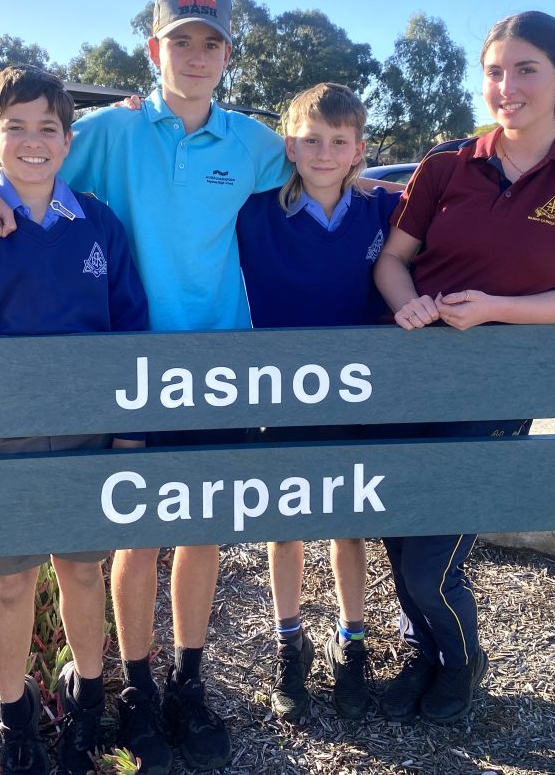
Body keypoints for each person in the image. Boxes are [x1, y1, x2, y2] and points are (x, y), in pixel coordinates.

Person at [0, 0, 293, 773]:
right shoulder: (109, 131)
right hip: (129, 369)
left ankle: (188, 681)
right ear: (155, 49)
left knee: (202, 532)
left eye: (211, 42)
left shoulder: (252, 142)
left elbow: (326, 169)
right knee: (135, 539)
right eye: (181, 40)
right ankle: (136, 687)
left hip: (220, 366)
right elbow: (29, 160)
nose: (196, 55)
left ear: (229, 54)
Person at [372, 11, 555, 726]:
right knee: (399, 536)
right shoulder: (445, 163)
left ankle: (460, 661)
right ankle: (425, 651)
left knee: (434, 557)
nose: (507, 85)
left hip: (501, 386)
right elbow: (394, 260)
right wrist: (408, 306)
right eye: (494, 71)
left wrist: (493, 308)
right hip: (409, 378)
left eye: (525, 69)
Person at [0, 66, 149, 775]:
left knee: (83, 570)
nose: (33, 140)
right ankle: (16, 721)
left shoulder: (99, 223)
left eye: (48, 126)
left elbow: (130, 326)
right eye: (16, 126)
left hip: (87, 435)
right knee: (10, 582)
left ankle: (87, 708)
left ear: (68, 139)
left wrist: (129, 433)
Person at [235, 82, 399, 724]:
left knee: (348, 520)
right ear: (289, 144)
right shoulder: (254, 213)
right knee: (286, 518)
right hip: (279, 387)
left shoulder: (380, 211)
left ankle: (352, 641)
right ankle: (289, 642)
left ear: (359, 148)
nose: (325, 152)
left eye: (339, 141)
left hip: (354, 388)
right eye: (311, 139)